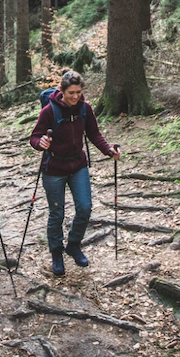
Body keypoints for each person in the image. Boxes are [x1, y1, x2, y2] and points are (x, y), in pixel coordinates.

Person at [30, 71, 120, 275]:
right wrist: (40, 143)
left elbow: (94, 134)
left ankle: (73, 245)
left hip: (78, 166)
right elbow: (34, 137)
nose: (75, 96)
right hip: (54, 168)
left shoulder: (85, 109)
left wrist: (108, 150)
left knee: (85, 207)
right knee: (57, 213)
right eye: (71, 92)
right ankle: (56, 252)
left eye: (78, 92)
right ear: (61, 91)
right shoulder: (49, 111)